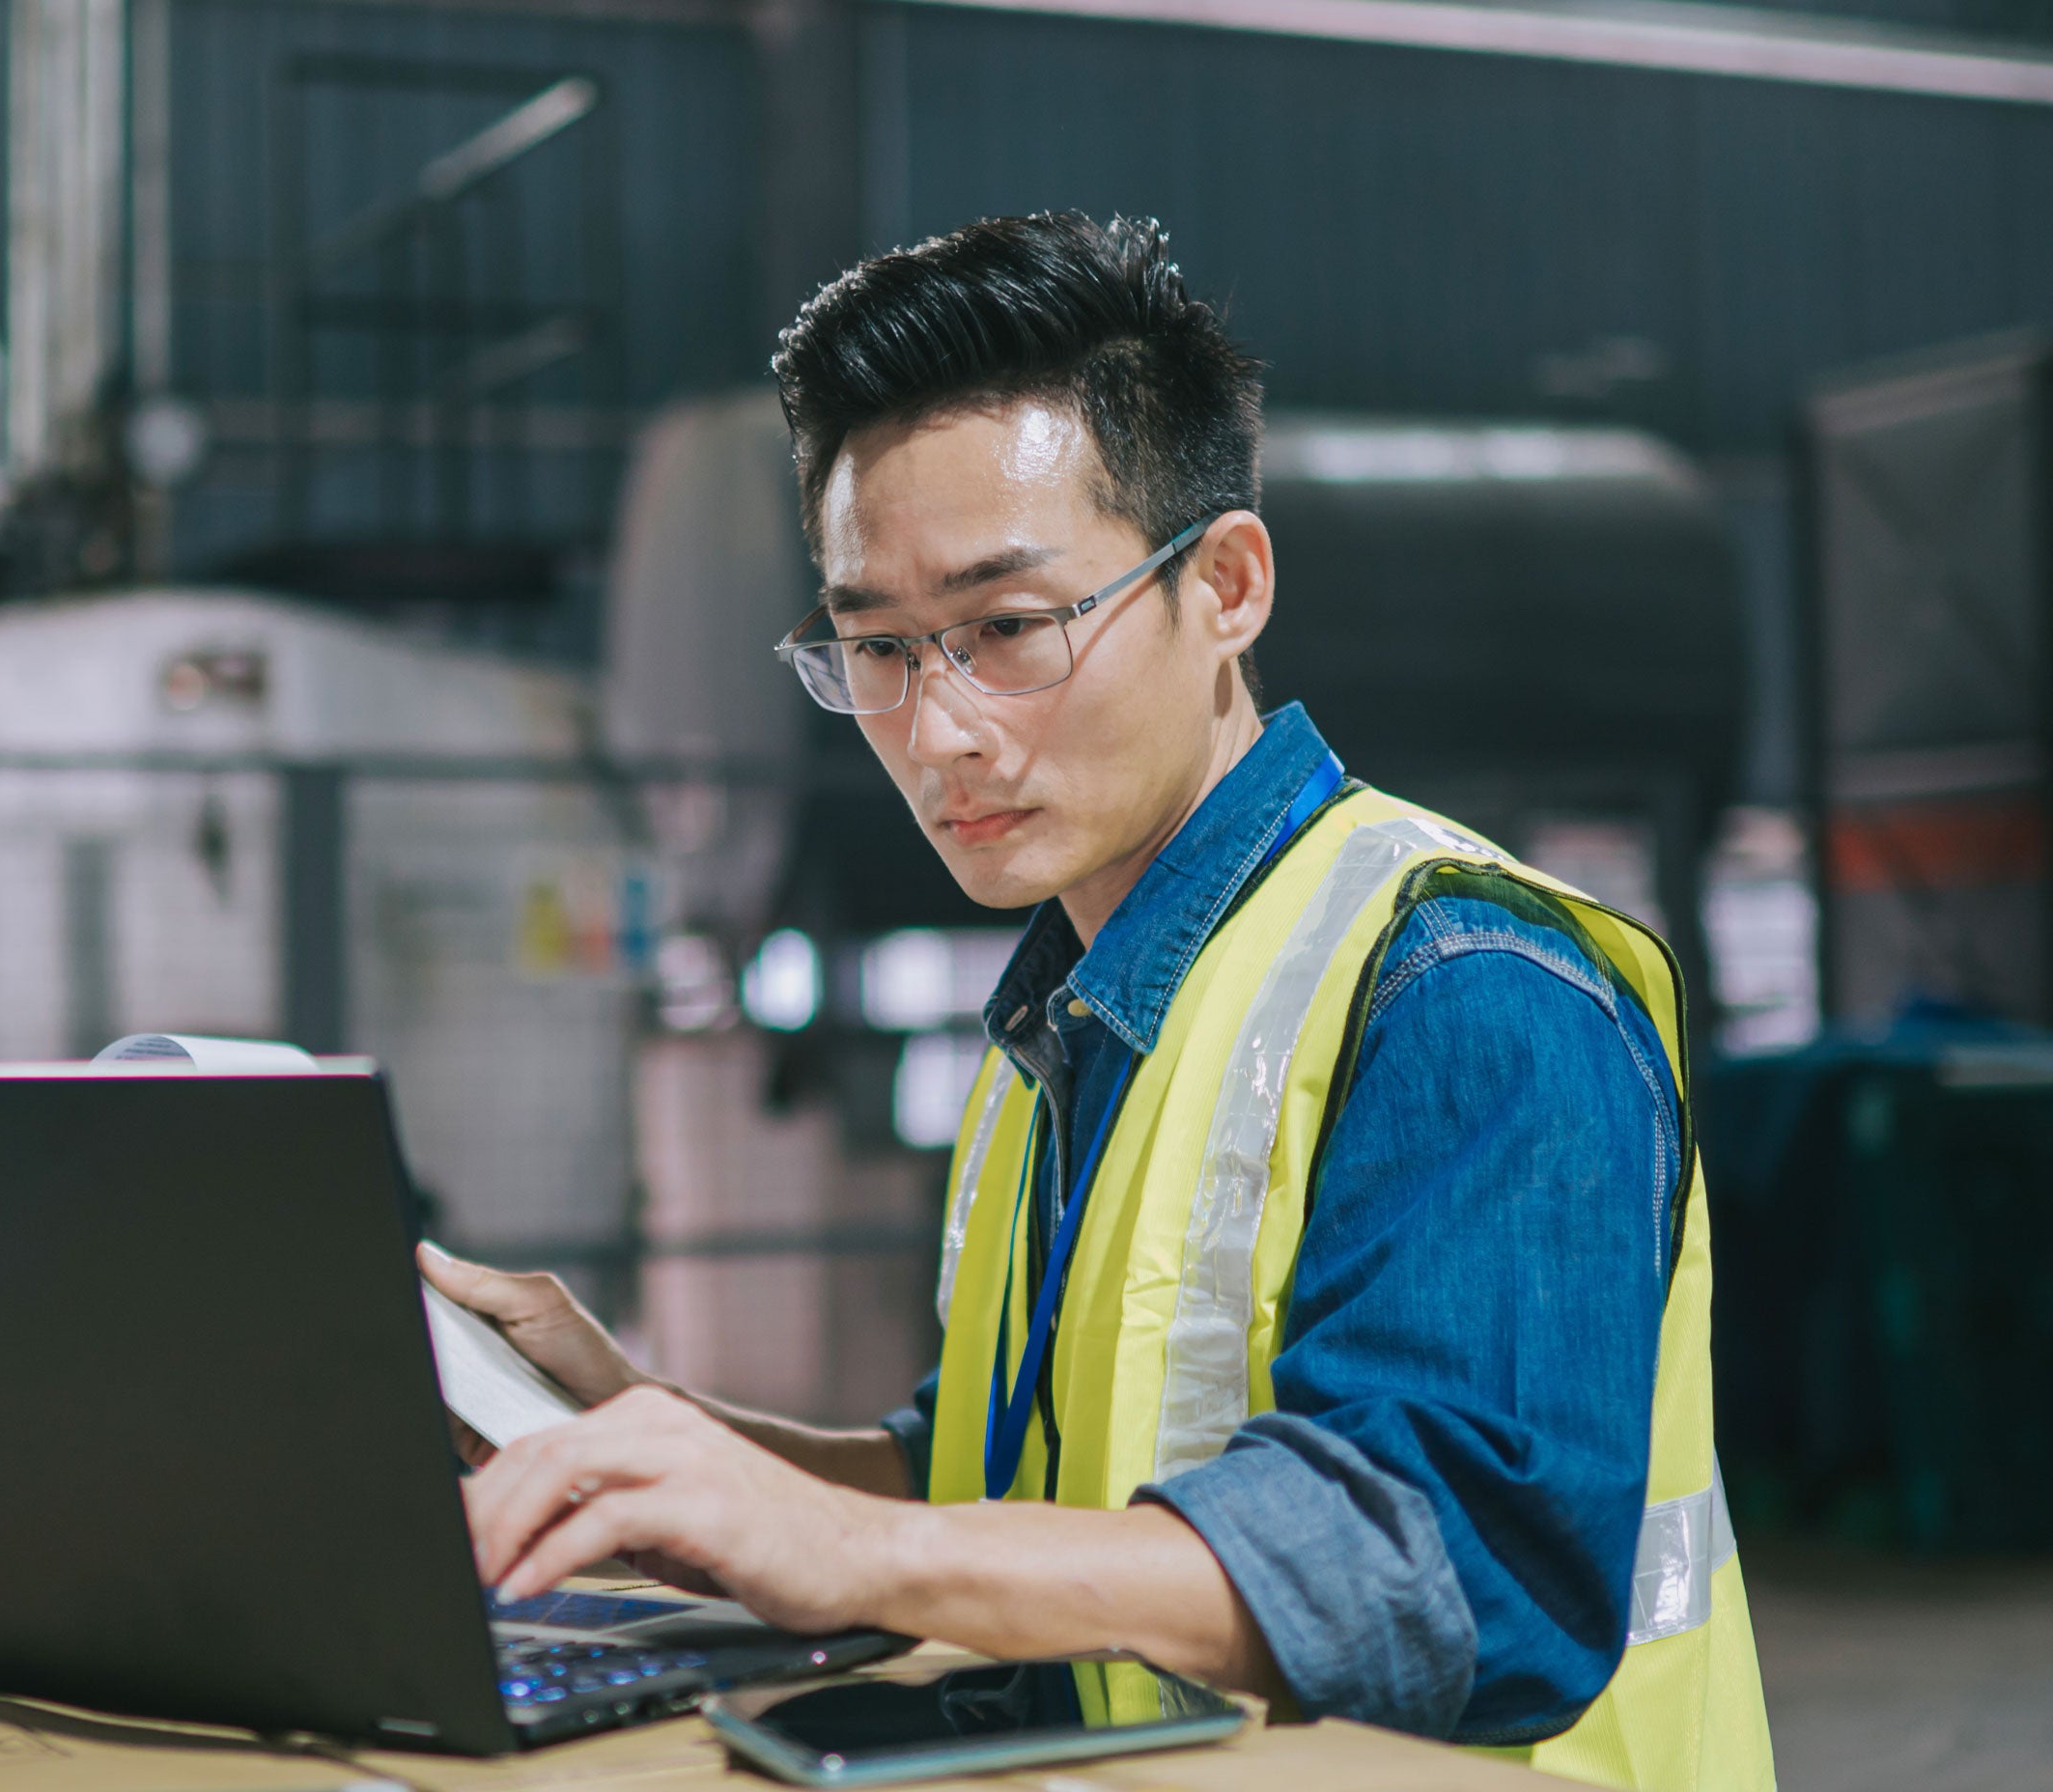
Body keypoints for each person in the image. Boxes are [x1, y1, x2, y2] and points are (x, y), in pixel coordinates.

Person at [423, 211, 1771, 1789]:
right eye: (876, 647)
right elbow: (994, 1483)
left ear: (1228, 584)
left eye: (1007, 630)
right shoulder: (1071, 1021)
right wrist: (644, 1432)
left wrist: (851, 1552)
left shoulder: (1465, 986)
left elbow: (1457, 1565)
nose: (938, 734)